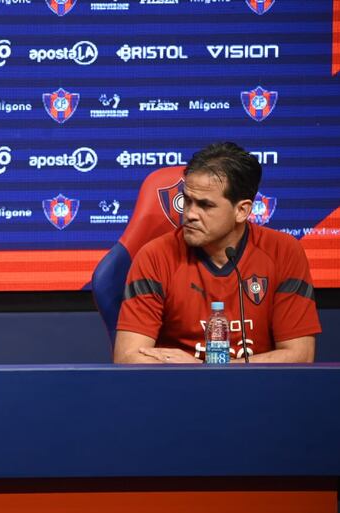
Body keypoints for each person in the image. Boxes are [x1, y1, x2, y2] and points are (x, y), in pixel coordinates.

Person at [114, 142, 321, 364]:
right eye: (187, 200)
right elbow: (128, 357)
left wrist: (203, 368)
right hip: (179, 391)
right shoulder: (155, 256)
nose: (190, 214)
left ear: (242, 211)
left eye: (205, 205)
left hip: (257, 391)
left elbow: (300, 356)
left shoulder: (283, 252)